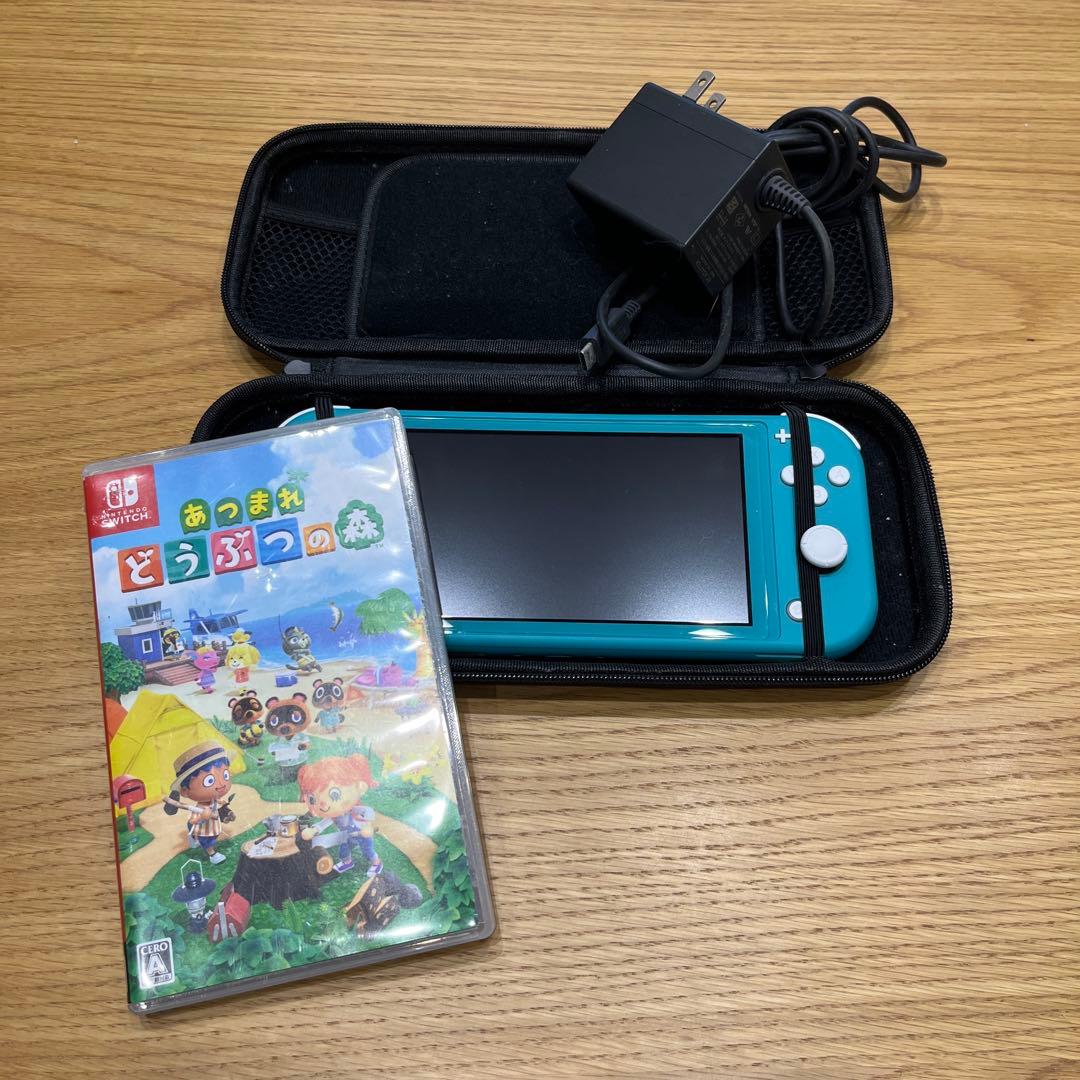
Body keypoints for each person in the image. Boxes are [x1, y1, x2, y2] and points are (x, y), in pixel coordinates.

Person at [297, 754, 382, 876]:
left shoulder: (353, 810)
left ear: (360, 787)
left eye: (335, 795)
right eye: (312, 799)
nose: (323, 806)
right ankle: (347, 862)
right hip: (346, 835)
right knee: (344, 851)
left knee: (368, 851)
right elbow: (324, 823)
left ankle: (377, 863)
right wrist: (314, 830)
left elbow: (367, 811)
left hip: (361, 834)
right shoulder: (335, 815)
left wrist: (367, 826)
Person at [164, 740, 233, 864]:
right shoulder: (200, 808)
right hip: (204, 829)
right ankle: (212, 855)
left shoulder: (213, 799)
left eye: (225, 775)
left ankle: (195, 839)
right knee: (208, 841)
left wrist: (220, 801)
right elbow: (192, 821)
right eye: (209, 781)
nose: (221, 784)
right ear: (185, 791)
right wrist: (202, 817)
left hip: (213, 826)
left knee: (213, 836)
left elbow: (216, 802)